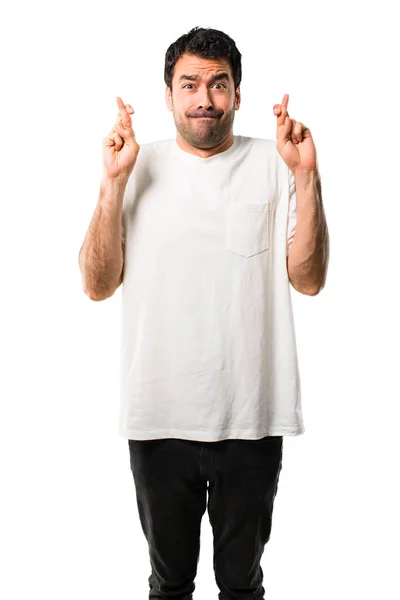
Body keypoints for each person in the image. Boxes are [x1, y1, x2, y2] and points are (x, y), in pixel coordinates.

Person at [79, 25, 329, 600]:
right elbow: (96, 285)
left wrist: (306, 174)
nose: (205, 99)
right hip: (158, 419)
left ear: (238, 94)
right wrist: (112, 186)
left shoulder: (277, 164)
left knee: (241, 584)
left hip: (251, 417)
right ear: (167, 94)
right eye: (189, 84)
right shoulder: (136, 165)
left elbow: (310, 280)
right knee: (169, 584)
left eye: (219, 84)